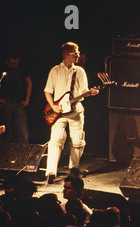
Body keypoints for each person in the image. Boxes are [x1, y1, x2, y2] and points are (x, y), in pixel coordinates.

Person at [43, 42, 99, 184]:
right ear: (67, 55)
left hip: (76, 110)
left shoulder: (79, 71)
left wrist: (91, 93)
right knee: (56, 140)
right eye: (76, 53)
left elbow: (84, 91)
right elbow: (48, 91)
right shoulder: (55, 70)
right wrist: (53, 107)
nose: (79, 55)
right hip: (59, 112)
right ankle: (51, 172)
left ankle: (74, 170)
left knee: (77, 141)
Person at [0, 50, 32, 143]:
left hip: (19, 103)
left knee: (23, 131)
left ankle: (24, 152)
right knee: (7, 132)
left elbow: (29, 82)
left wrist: (27, 100)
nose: (15, 61)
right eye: (13, 59)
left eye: (17, 59)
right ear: (9, 59)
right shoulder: (3, 68)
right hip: (6, 103)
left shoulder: (21, 68)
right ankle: (6, 154)